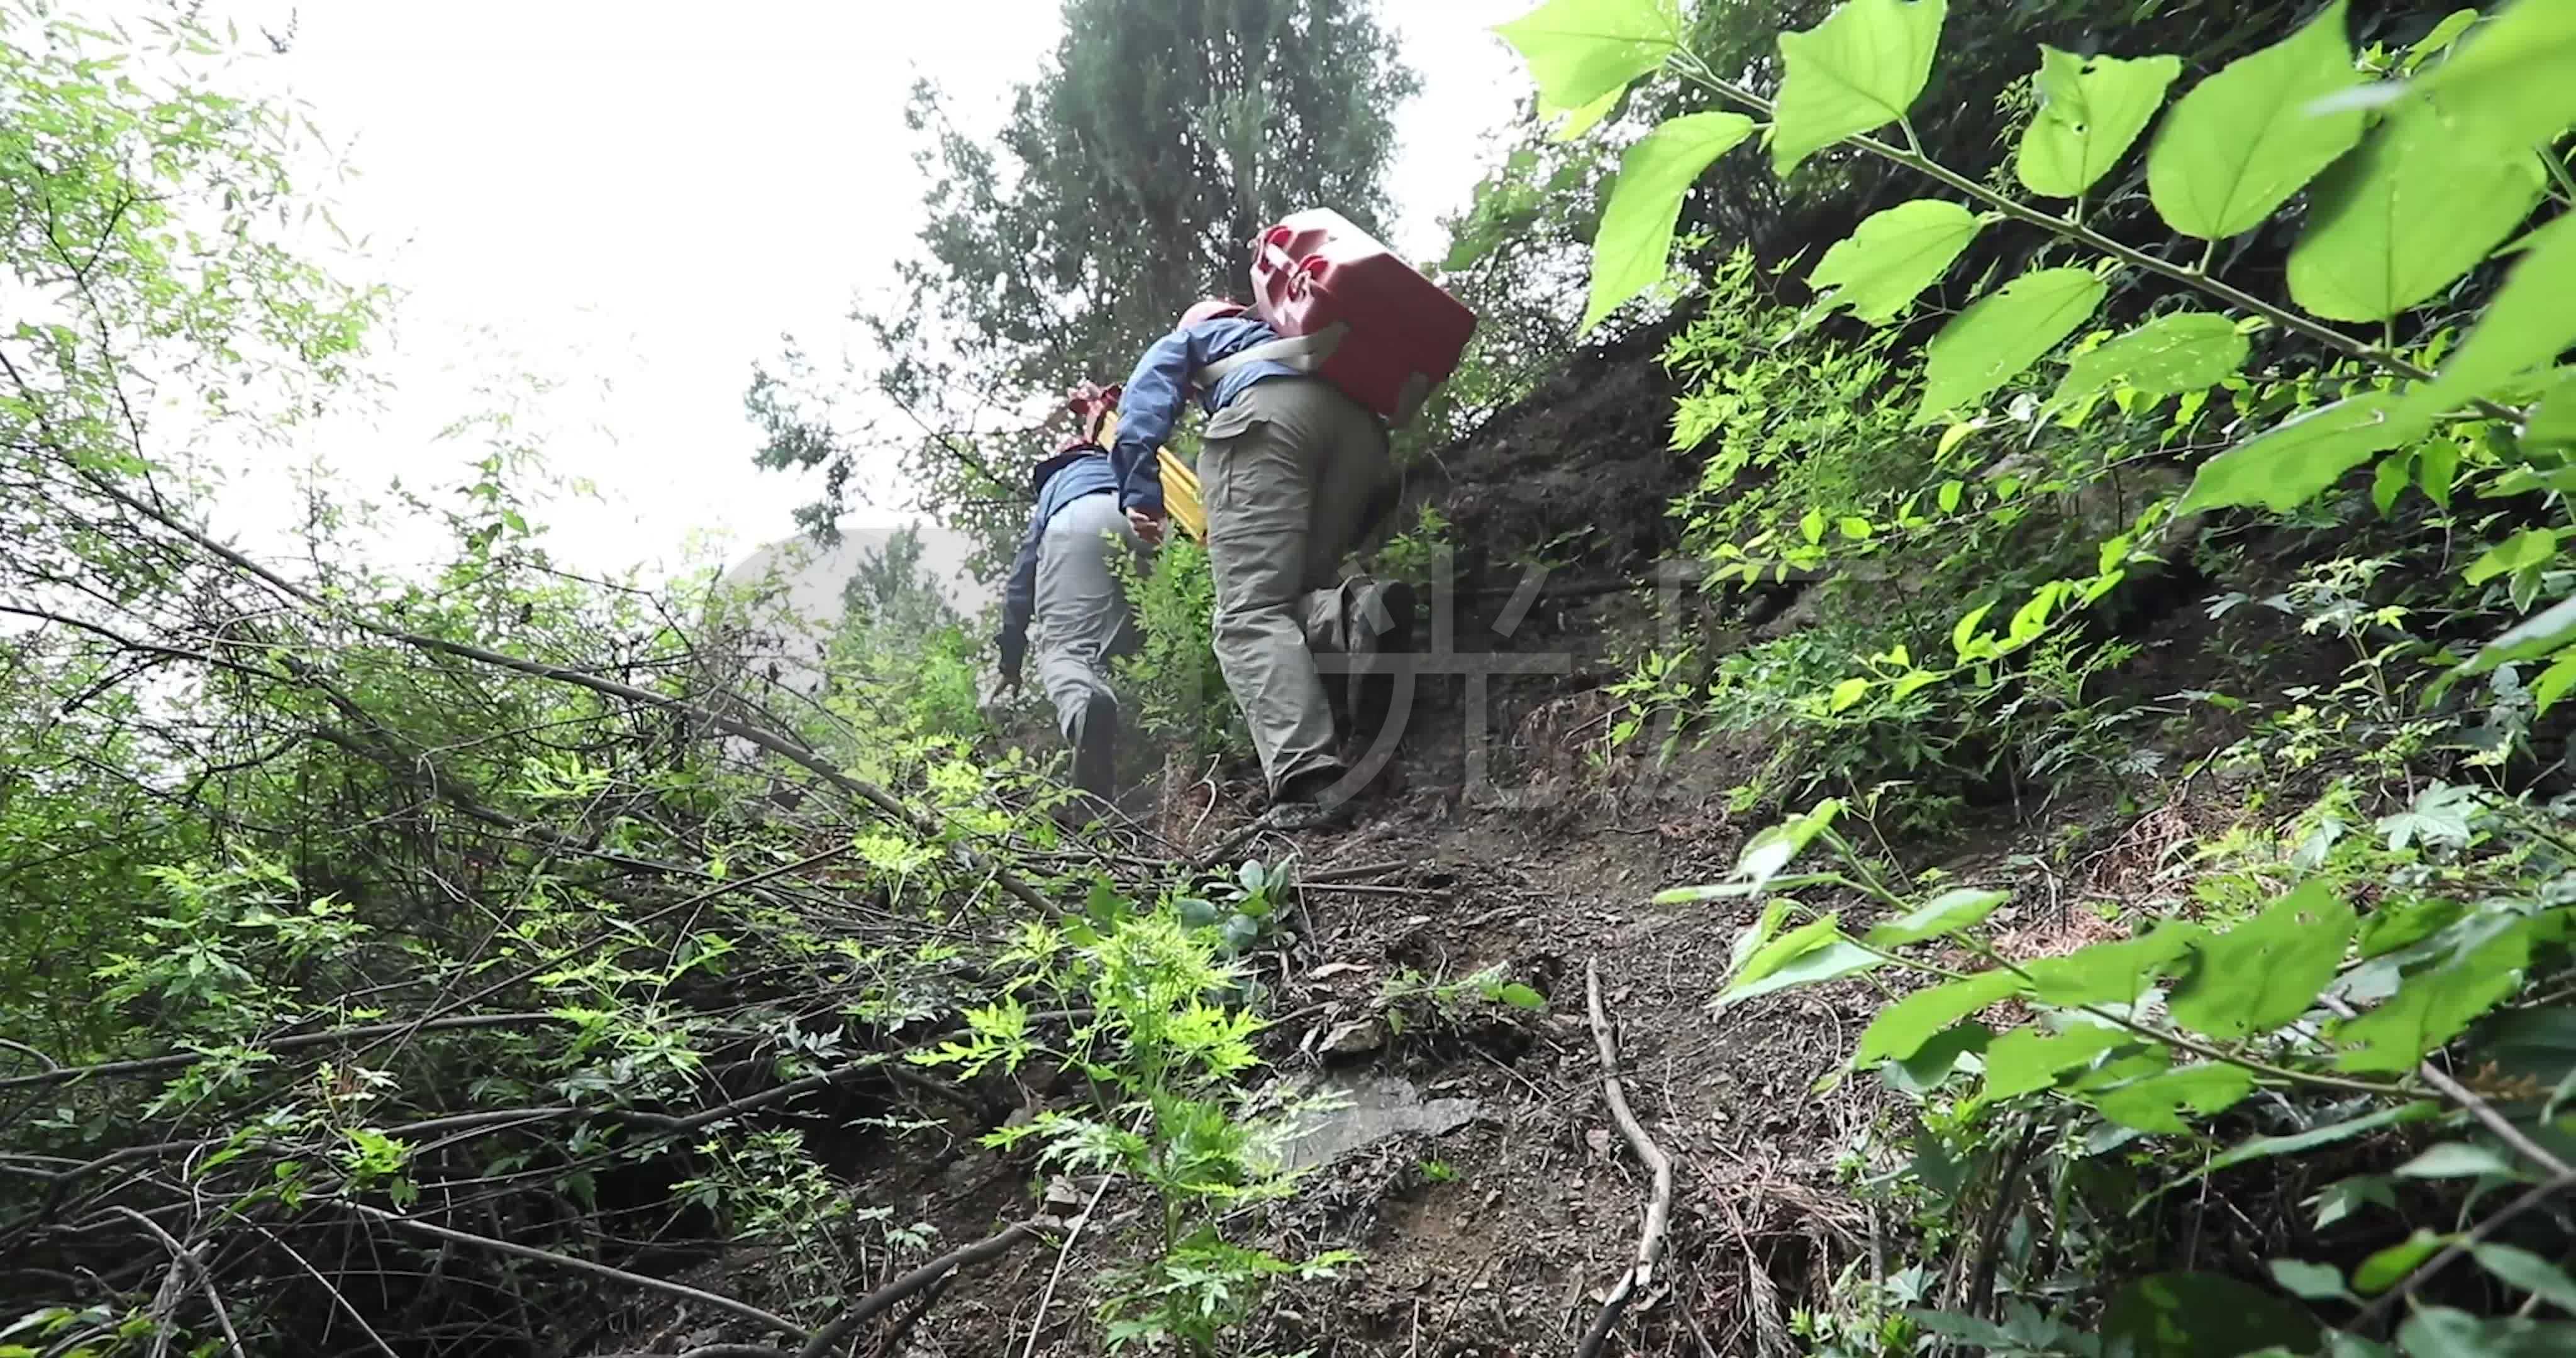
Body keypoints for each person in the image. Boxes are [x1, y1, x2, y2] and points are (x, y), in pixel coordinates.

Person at [1111, 298, 1410, 827]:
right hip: (1359, 433)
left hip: (1267, 420)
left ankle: (1309, 778)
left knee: (1249, 615)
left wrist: (1141, 489)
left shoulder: (1202, 336)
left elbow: (1148, 388)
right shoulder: (1304, 340)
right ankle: (1352, 614)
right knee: (1293, 591)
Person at [996, 431, 1145, 805]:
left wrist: (1010, 660)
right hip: (1144, 515)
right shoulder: (1120, 466)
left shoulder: (1059, 485)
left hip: (1080, 521)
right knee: (1138, 635)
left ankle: (1084, 706)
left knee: (1066, 650)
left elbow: (1022, 577)